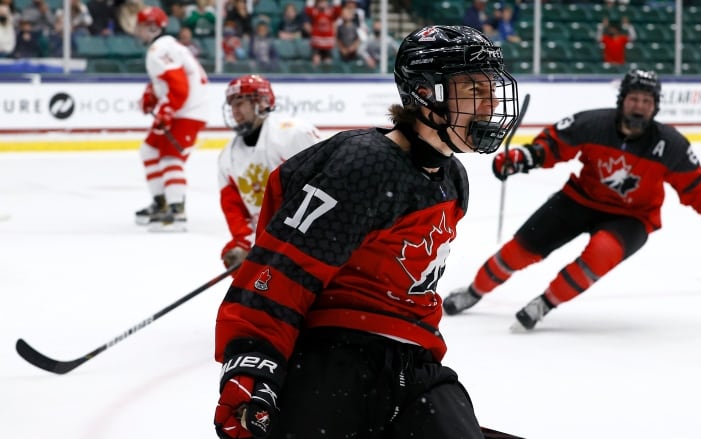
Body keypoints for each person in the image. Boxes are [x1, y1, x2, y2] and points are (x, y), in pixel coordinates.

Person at [212, 25, 521, 439]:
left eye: (491, 89)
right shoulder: (364, 164)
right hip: (337, 355)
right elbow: (283, 270)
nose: (490, 103)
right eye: (472, 88)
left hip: (415, 366)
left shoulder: (454, 179)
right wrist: (252, 365)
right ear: (426, 93)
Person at [443, 69, 701, 331]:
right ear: (623, 100)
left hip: (632, 217)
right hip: (578, 200)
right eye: (634, 98)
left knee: (602, 252)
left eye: (647, 101)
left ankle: (545, 302)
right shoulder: (592, 123)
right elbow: (553, 145)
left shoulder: (671, 145)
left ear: (656, 107)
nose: (639, 106)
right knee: (520, 249)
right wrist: (524, 156)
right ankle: (474, 291)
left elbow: (696, 187)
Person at [217, 75, 321, 271]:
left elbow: (325, 185)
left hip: (313, 238)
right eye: (232, 105)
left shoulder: (291, 134)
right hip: (272, 244)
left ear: (262, 102)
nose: (235, 111)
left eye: (240, 103)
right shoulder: (226, 158)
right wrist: (244, 244)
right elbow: (234, 209)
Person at [133, 6, 210, 232]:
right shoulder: (166, 46)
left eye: (141, 27)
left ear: (153, 28)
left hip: (189, 109)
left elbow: (178, 86)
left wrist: (166, 110)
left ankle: (177, 211)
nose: (137, 31)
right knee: (149, 150)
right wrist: (152, 93)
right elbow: (169, 81)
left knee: (170, 157)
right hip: (184, 106)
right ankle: (161, 202)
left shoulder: (158, 50)